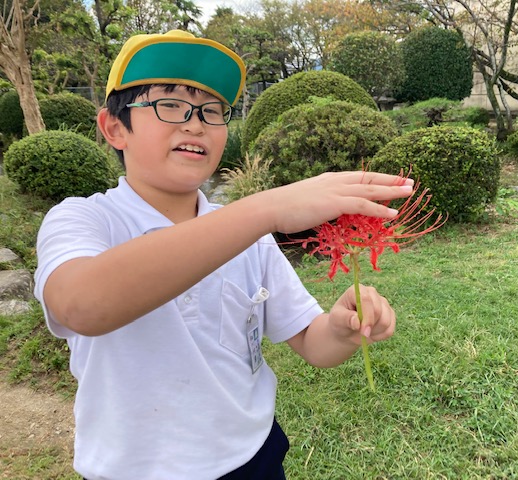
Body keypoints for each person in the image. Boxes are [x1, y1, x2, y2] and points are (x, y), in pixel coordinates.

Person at [34, 30, 412, 480]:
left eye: (212, 111)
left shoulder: (248, 235)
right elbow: (80, 305)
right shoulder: (83, 219)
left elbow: (313, 343)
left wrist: (341, 328)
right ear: (115, 128)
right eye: (170, 104)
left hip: (254, 460)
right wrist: (268, 208)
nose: (196, 124)